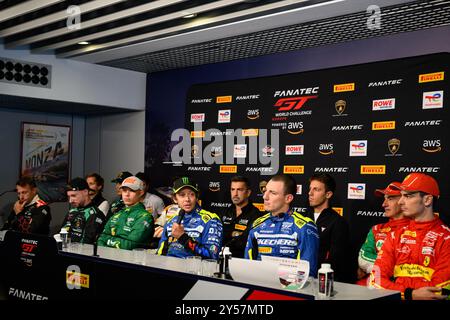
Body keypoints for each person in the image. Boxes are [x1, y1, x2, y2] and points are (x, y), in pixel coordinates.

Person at [370, 173, 450, 300]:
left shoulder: (446, 238)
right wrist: (409, 294)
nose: (401, 202)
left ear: (427, 200)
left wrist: (398, 290)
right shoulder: (394, 235)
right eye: (401, 196)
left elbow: (441, 290)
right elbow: (375, 281)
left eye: (407, 196)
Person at [244, 174, 319, 277]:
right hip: (260, 287)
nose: (265, 197)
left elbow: (308, 272)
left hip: (290, 290)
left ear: (288, 198)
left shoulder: (304, 227)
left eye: (273, 193)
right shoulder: (257, 224)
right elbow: (247, 265)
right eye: (265, 191)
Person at [357, 181, 409, 285]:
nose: (383, 204)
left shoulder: (416, 230)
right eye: (384, 199)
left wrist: (377, 267)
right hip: (374, 285)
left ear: (404, 200)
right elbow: (363, 258)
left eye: (390, 199)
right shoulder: (377, 229)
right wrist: (395, 269)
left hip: (404, 288)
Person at [157, 176, 223, 260]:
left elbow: (212, 255)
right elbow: (160, 252)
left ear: (197, 197)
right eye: (182, 195)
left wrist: (182, 237)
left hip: (193, 271)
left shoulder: (211, 219)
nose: (187, 199)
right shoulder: (171, 220)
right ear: (175, 199)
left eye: (191, 194)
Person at [305, 173, 351, 282]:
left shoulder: (338, 222)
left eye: (316, 189)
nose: (310, 193)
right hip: (299, 277)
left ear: (328, 194)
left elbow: (336, 260)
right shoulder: (302, 218)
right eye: (310, 188)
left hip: (322, 281)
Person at [98, 176, 154, 250]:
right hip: (108, 258)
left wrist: (108, 241)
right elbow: (100, 239)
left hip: (130, 260)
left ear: (141, 193)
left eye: (131, 190)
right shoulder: (117, 213)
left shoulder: (145, 217)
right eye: (124, 190)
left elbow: (129, 245)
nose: (127, 194)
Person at [220, 175, 261, 258]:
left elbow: (245, 242)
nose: (235, 194)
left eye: (239, 190)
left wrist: (229, 234)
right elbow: (218, 237)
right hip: (222, 261)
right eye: (233, 189)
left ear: (248, 193)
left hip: (243, 263)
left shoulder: (256, 215)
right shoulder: (225, 212)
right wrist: (235, 234)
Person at [61, 177, 106, 244]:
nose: (70, 201)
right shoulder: (72, 212)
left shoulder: (95, 214)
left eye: (73, 196)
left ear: (85, 192)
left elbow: (87, 243)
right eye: (69, 197)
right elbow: (61, 233)